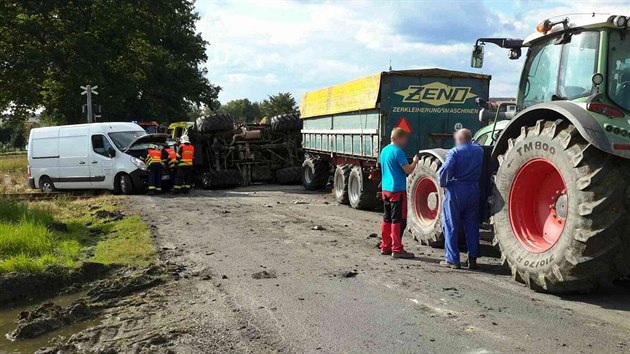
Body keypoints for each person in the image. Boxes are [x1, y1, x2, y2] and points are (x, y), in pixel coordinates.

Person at [438, 129, 484, 269]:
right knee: (472, 225)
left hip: (456, 190)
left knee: (451, 225)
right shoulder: (479, 151)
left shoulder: (454, 152)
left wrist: (443, 183)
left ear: (458, 140)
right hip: (473, 190)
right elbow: (475, 144)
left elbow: (446, 168)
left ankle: (453, 260)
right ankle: (473, 258)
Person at [379, 127, 419, 259]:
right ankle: (397, 248)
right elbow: (408, 171)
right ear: (399, 138)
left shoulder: (384, 151)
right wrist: (415, 161)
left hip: (386, 189)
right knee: (398, 220)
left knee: (387, 218)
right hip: (397, 190)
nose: (406, 141)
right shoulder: (398, 152)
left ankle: (385, 246)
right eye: (405, 138)